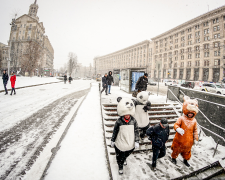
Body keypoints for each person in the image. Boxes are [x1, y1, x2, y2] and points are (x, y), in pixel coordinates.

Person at [111, 97, 139, 175]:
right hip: (120, 141)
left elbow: (136, 131)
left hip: (129, 141)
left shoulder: (133, 121)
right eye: (125, 114)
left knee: (128, 151)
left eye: (128, 114)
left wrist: (137, 140)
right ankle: (120, 167)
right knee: (119, 156)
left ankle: (124, 158)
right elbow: (115, 131)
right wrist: (113, 140)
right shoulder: (119, 121)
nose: (127, 116)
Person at [171, 96, 198, 167]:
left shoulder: (194, 121)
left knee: (187, 152)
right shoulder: (181, 118)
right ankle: (173, 158)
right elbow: (176, 124)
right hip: (179, 140)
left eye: (191, 113)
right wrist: (177, 129)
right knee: (176, 150)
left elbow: (195, 130)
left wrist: (196, 138)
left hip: (188, 141)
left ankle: (185, 160)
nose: (190, 114)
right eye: (189, 113)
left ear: (194, 113)